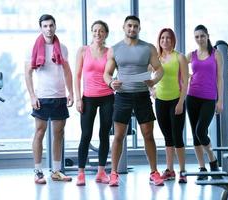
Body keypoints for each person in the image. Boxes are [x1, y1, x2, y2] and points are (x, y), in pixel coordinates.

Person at [103, 15, 164, 187]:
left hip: (142, 95)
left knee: (148, 135)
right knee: (119, 136)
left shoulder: (149, 48)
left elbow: (159, 70)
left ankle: (154, 172)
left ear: (139, 28)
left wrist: (153, 81)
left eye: (135, 26)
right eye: (129, 26)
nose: (132, 29)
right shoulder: (115, 49)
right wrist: (110, 83)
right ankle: (114, 173)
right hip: (122, 95)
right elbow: (106, 73)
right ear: (124, 27)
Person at [25, 14, 74, 184]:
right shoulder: (33, 48)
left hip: (59, 96)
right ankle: (38, 171)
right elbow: (28, 73)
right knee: (39, 133)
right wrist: (32, 96)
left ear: (55, 26)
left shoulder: (63, 48)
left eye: (51, 25)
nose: (49, 29)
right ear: (41, 28)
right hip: (42, 97)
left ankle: (56, 171)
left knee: (58, 134)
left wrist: (71, 93)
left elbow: (67, 71)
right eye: (45, 26)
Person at [74, 20, 114, 186]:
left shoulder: (110, 51)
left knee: (104, 134)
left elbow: (112, 73)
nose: (98, 33)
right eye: (95, 30)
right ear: (92, 32)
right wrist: (77, 98)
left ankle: (101, 171)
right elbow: (77, 76)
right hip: (88, 97)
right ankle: (81, 172)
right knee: (86, 134)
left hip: (107, 97)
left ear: (106, 34)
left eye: (101, 31)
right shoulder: (83, 50)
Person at [186, 24, 223, 180]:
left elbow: (219, 78)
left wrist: (220, 101)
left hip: (209, 98)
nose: (199, 39)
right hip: (192, 96)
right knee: (195, 135)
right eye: (196, 37)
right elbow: (177, 66)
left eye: (202, 36)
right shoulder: (192, 55)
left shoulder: (216, 54)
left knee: (201, 131)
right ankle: (202, 168)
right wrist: (187, 77)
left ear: (207, 36)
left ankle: (212, 159)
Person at [153, 28, 188, 183]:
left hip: (176, 101)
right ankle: (170, 170)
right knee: (167, 137)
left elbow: (186, 82)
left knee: (177, 136)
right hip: (160, 101)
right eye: (162, 38)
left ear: (173, 40)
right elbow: (146, 73)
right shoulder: (156, 58)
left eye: (168, 38)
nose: (165, 41)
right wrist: (151, 90)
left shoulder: (179, 57)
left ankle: (183, 171)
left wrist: (181, 102)